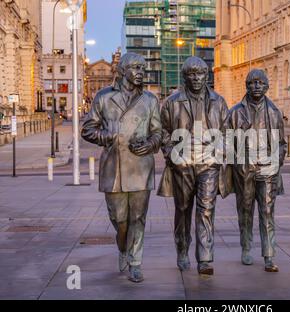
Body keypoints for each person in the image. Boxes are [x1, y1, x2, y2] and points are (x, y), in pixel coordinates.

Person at [81, 53, 162, 283]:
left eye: (142, 68)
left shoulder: (150, 100)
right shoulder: (104, 97)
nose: (140, 72)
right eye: (136, 67)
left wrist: (148, 144)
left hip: (140, 167)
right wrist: (106, 136)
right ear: (123, 70)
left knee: (138, 218)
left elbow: (159, 133)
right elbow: (87, 129)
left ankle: (135, 262)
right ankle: (123, 248)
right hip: (113, 166)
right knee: (119, 219)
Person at [157, 57, 229, 276]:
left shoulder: (219, 101)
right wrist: (171, 153)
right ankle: (182, 248)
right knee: (183, 209)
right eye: (191, 74)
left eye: (200, 74)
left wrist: (220, 151)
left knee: (206, 209)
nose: (196, 78)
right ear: (184, 76)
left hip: (208, 163)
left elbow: (226, 131)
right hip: (183, 163)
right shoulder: (172, 102)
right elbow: (163, 131)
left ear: (207, 75)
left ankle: (205, 258)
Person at [228, 69, 287, 272]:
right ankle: (246, 248)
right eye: (252, 82)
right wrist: (236, 163)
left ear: (267, 86)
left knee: (267, 211)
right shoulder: (235, 112)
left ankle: (269, 254)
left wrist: (275, 163)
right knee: (245, 211)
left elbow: (282, 144)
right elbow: (227, 143)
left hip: (267, 169)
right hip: (244, 168)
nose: (256, 86)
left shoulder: (275, 112)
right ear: (246, 85)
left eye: (260, 83)